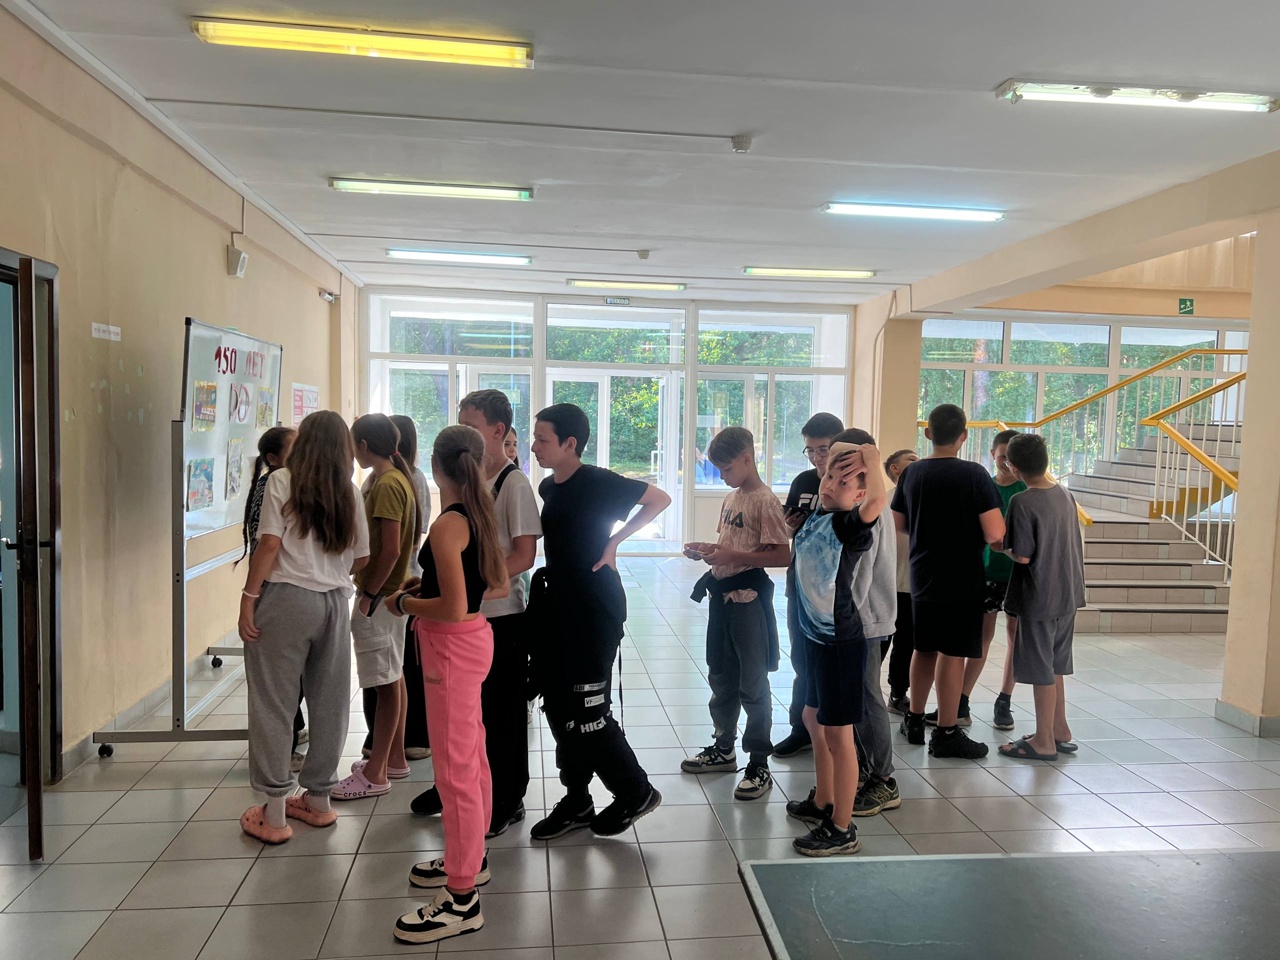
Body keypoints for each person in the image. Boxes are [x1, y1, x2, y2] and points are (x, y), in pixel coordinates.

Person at [387, 425, 510, 945]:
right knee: (472, 755)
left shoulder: (446, 525)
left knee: (454, 771)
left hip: (450, 649)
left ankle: (462, 899)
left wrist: (404, 602)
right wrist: (429, 585)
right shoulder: (479, 513)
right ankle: (471, 858)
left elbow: (453, 606)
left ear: (437, 468)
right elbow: (494, 585)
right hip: (474, 640)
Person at [527, 403, 671, 839]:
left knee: (589, 710)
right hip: (558, 606)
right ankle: (577, 799)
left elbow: (659, 499)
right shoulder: (549, 487)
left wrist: (614, 541)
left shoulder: (596, 481)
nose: (534, 447)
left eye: (542, 440)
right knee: (558, 704)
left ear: (570, 443)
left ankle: (635, 791)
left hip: (594, 609)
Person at [410, 391, 543, 836]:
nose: (462, 432)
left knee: (502, 714)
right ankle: (457, 788)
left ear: (498, 431)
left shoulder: (513, 484)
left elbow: (524, 555)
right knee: (465, 717)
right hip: (463, 619)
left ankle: (507, 797)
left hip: (501, 616)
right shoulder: (467, 483)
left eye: (471, 425)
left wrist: (469, 589)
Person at [235, 411, 369, 844]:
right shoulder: (349, 490)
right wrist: (330, 570)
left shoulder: (282, 480)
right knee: (330, 702)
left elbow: (269, 544)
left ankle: (274, 815)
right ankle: (319, 801)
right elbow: (362, 556)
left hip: (286, 599)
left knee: (274, 702)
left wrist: (249, 597)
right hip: (334, 603)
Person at [784, 439, 886, 856]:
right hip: (813, 637)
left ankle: (842, 827)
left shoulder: (850, 525)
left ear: (858, 495)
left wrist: (872, 459)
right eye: (828, 476)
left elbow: (878, 498)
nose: (829, 485)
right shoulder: (819, 514)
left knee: (839, 736)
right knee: (812, 717)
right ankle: (823, 799)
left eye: (843, 483)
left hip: (839, 642)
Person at [679, 427, 790, 800]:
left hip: (748, 603)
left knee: (752, 683)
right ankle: (723, 747)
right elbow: (729, 545)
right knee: (721, 677)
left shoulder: (765, 501)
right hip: (721, 600)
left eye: (727, 469)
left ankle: (758, 762)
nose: (723, 476)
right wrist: (708, 550)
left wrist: (732, 556)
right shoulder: (732, 498)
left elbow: (782, 555)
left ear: (747, 458)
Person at [891, 405, 1005, 759]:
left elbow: (898, 523)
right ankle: (946, 732)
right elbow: (995, 533)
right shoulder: (974, 474)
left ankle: (913, 720)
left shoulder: (912, 474)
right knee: (952, 654)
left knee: (923, 648)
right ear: (964, 436)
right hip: (962, 577)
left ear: (928, 433)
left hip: (922, 574)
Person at [335, 414, 422, 799]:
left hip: (381, 596)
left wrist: (369, 595)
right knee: (394, 676)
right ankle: (395, 759)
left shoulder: (387, 483)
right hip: (389, 596)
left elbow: (390, 549)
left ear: (364, 446)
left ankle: (375, 773)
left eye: (354, 445)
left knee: (385, 685)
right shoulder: (397, 478)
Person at [922, 429, 1025, 731]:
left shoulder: (1025, 491)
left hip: (1018, 574)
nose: (1007, 463)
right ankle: (961, 701)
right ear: (993, 454)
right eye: (1002, 456)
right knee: (981, 638)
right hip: (987, 572)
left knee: (1015, 637)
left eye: (1012, 458)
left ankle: (1004, 699)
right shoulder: (984, 486)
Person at [997, 434, 1085, 761]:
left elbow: (1022, 555)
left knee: (1040, 670)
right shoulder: (1065, 494)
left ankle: (1044, 740)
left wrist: (999, 546)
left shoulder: (1023, 501)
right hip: (1068, 592)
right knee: (1055, 665)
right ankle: (1060, 729)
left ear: (1013, 467)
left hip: (1039, 596)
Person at [835, 429, 900, 820]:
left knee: (866, 696)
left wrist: (844, 618)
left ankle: (883, 779)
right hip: (864, 618)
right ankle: (864, 770)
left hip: (865, 620)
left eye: (841, 469)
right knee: (858, 694)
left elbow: (860, 574)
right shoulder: (868, 502)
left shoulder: (869, 508)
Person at [362, 415, 434, 762]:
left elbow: (393, 548)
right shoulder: (387, 477)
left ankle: (392, 752)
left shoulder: (396, 481)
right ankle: (387, 749)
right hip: (391, 586)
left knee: (391, 672)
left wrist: (369, 593)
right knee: (388, 672)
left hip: (390, 587)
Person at [235, 426, 307, 765]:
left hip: (283, 587)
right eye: (294, 447)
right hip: (272, 587)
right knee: (279, 676)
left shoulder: (289, 481)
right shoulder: (273, 485)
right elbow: (268, 544)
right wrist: (251, 595)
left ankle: (294, 729)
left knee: (291, 669)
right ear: (273, 459)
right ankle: (283, 749)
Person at [775, 412, 844, 758]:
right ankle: (801, 729)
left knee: (832, 668)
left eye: (823, 449)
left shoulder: (850, 485)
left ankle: (839, 733)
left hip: (835, 594)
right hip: (800, 587)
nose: (816, 457)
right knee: (802, 662)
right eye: (810, 450)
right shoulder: (803, 481)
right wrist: (789, 527)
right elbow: (789, 532)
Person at [882, 449, 919, 715]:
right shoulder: (883, 500)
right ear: (895, 469)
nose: (919, 464)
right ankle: (863, 693)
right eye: (912, 460)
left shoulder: (925, 497)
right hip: (885, 585)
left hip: (914, 585)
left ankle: (897, 693)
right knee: (879, 642)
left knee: (906, 644)